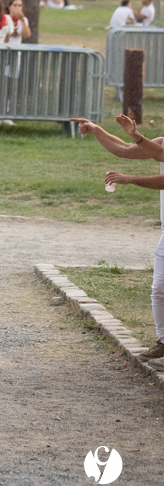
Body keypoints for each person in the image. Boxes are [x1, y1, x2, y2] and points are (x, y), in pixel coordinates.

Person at [72, 113, 164, 363]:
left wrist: (130, 178)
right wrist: (96, 130)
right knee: (158, 289)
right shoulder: (162, 143)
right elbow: (124, 149)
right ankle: (163, 342)